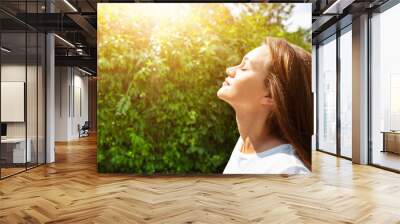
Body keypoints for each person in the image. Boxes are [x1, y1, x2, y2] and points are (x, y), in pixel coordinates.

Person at [217, 37, 312, 174]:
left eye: (244, 68)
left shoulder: (288, 171)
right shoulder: (247, 143)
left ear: (270, 96)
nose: (229, 70)